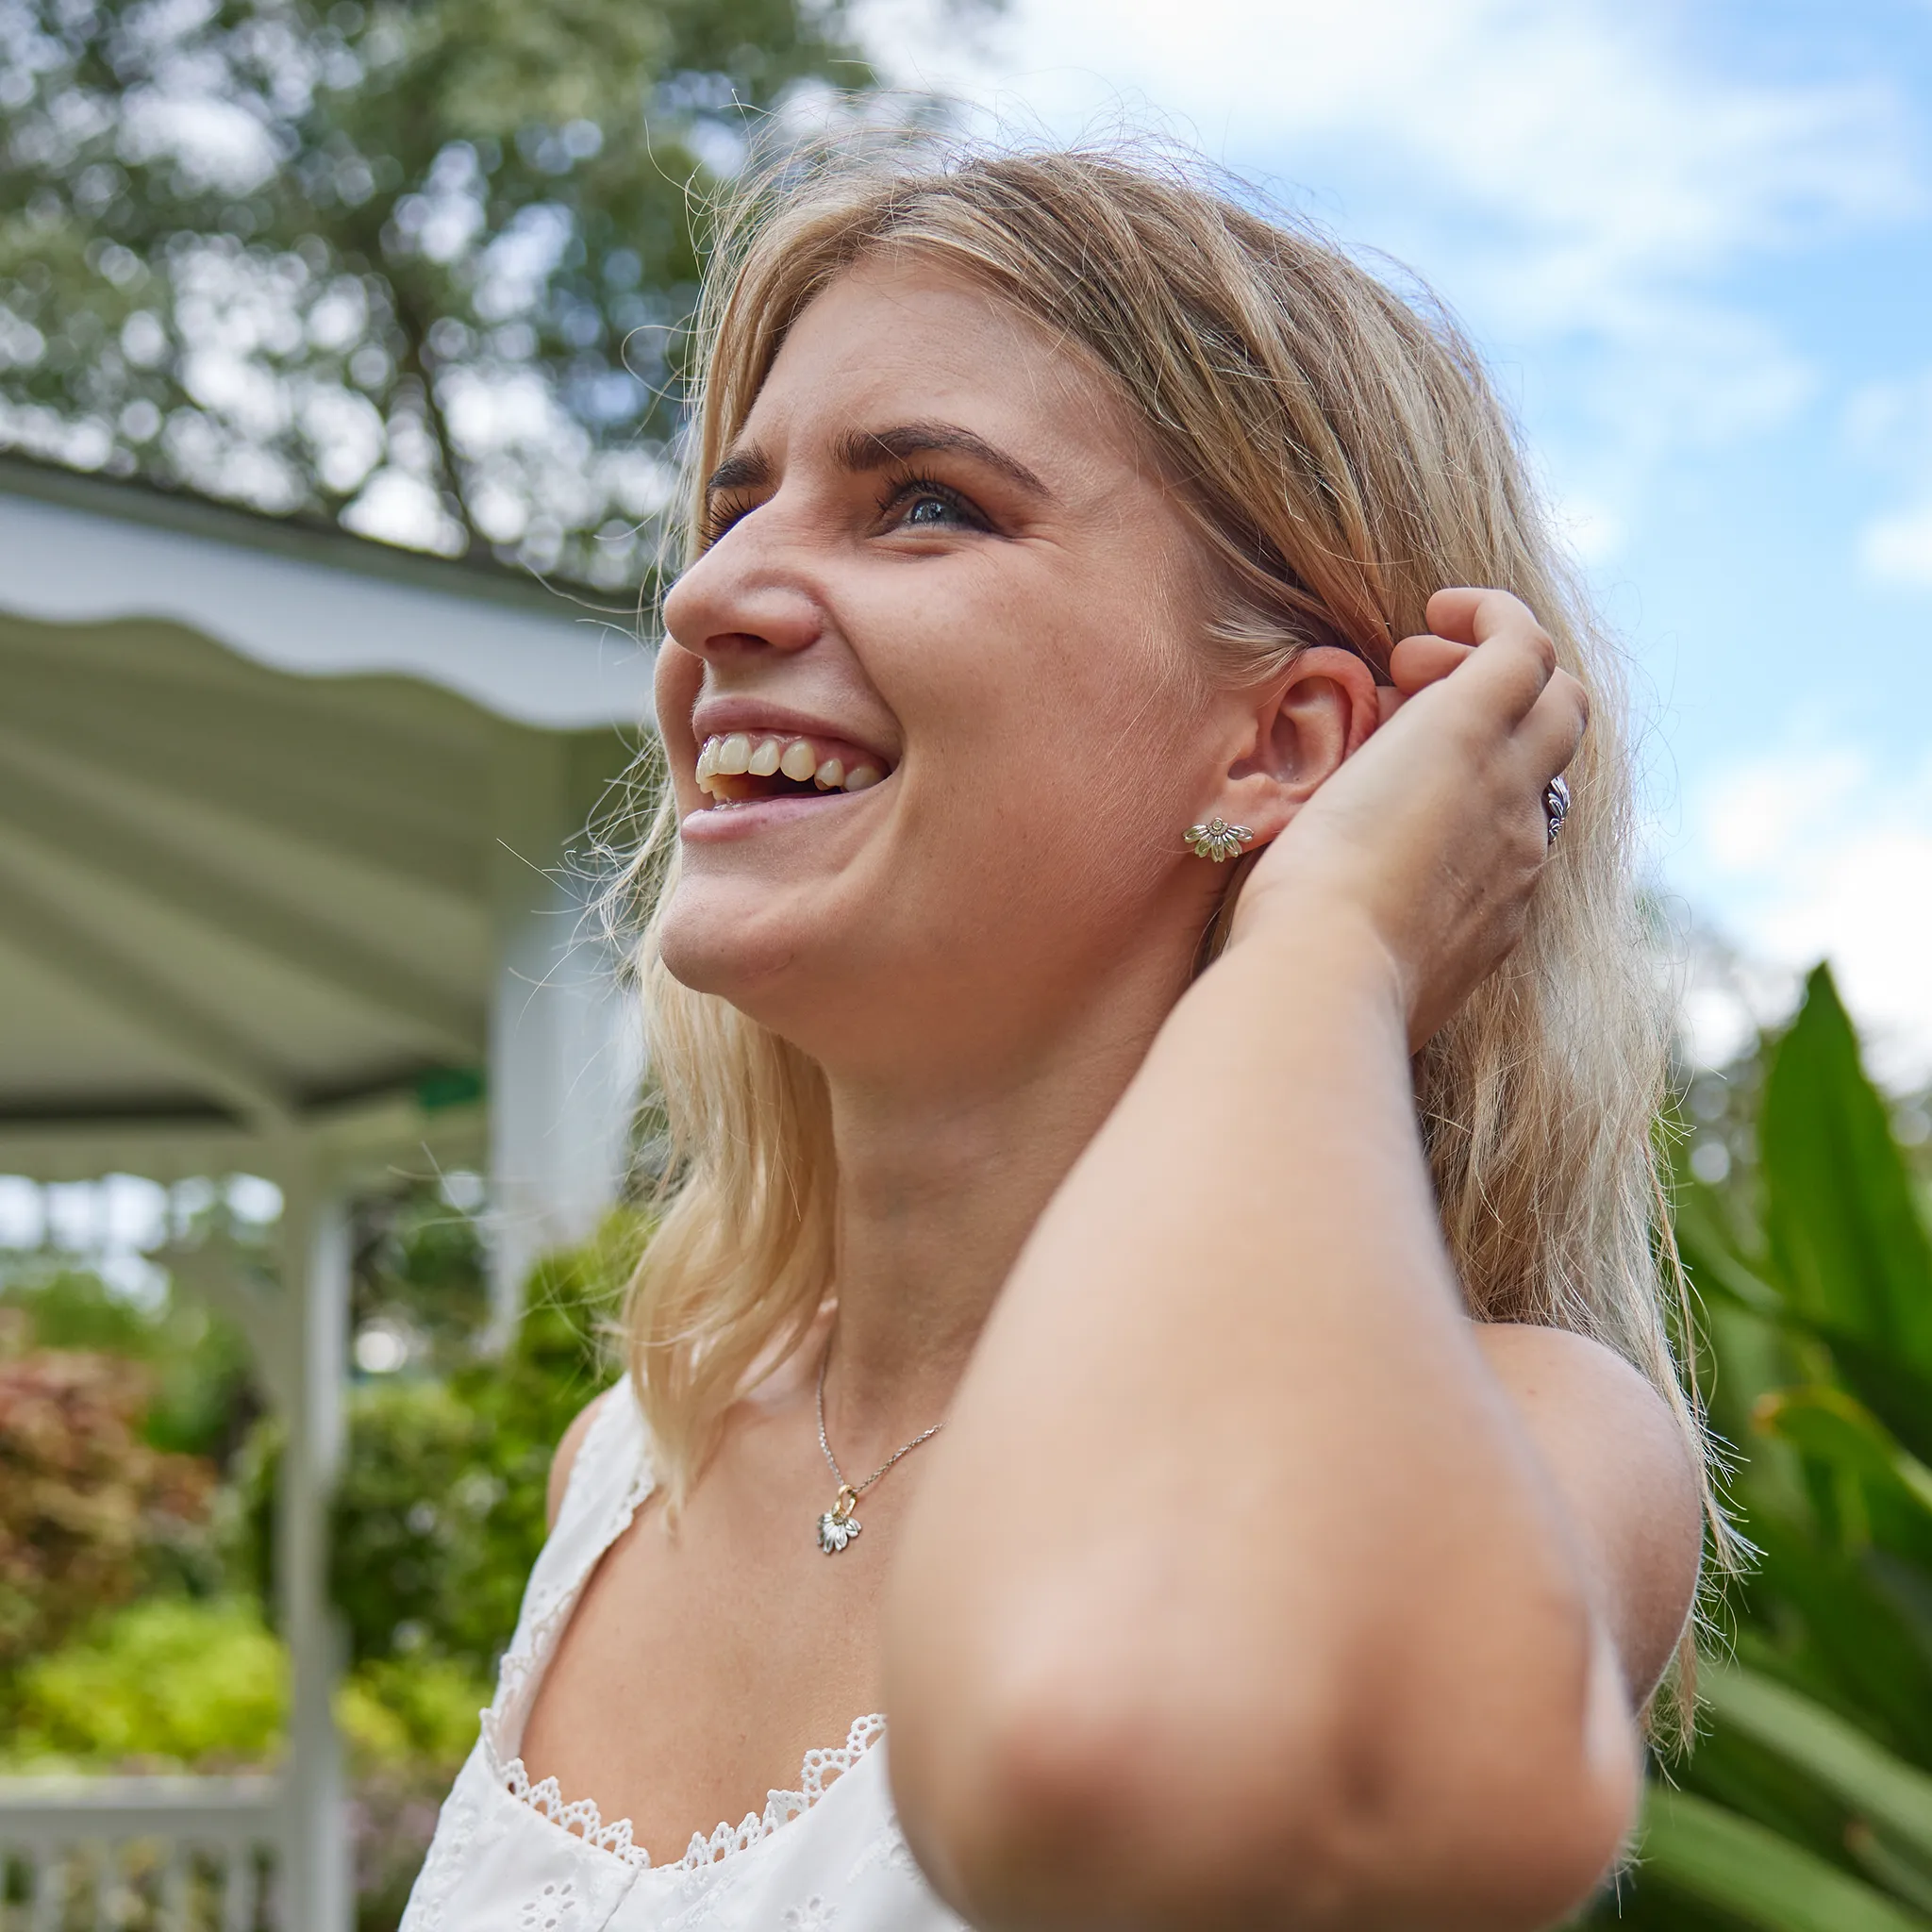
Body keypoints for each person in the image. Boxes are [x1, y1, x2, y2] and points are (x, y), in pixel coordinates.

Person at [401, 136, 1709, 1932]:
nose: (708, 603)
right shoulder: (631, 1460)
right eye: (733, 508)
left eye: (923, 502)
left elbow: (1101, 1767)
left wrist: (1325, 944)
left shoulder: (1535, 1440)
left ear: (1292, 752)